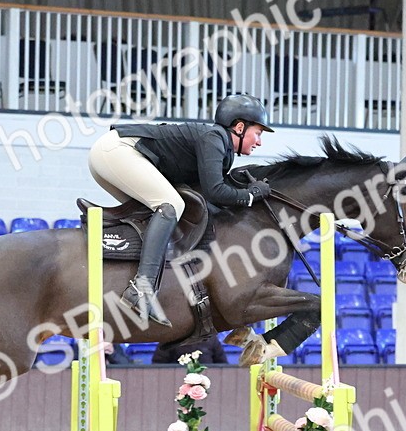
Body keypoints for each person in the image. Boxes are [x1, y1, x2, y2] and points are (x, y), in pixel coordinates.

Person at [87, 94, 275, 328]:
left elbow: (207, 195)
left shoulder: (219, 146)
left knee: (163, 211)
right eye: (258, 133)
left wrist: (247, 192)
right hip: (116, 151)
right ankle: (141, 290)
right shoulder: (214, 138)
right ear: (239, 127)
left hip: (111, 155)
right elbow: (216, 191)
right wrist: (251, 195)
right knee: (170, 205)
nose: (259, 142)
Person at [151, 334, 229, 365]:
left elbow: (222, 364)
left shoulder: (211, 339)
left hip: (207, 383)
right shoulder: (171, 338)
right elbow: (158, 363)